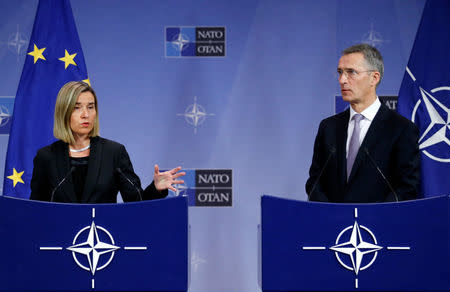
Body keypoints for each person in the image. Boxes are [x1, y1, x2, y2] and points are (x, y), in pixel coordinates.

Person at [30, 81, 184, 203]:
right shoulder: (46, 157)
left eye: (91, 107)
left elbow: (137, 203)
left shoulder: (113, 153)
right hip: (59, 239)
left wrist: (156, 188)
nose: (86, 114)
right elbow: (36, 210)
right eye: (77, 108)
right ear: (64, 112)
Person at [305, 43, 420, 203]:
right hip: (334, 224)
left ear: (374, 78)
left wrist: (373, 216)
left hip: (378, 224)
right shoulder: (328, 127)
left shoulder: (401, 129)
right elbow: (315, 183)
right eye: (340, 72)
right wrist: (330, 214)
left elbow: (407, 187)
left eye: (351, 72)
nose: (342, 80)